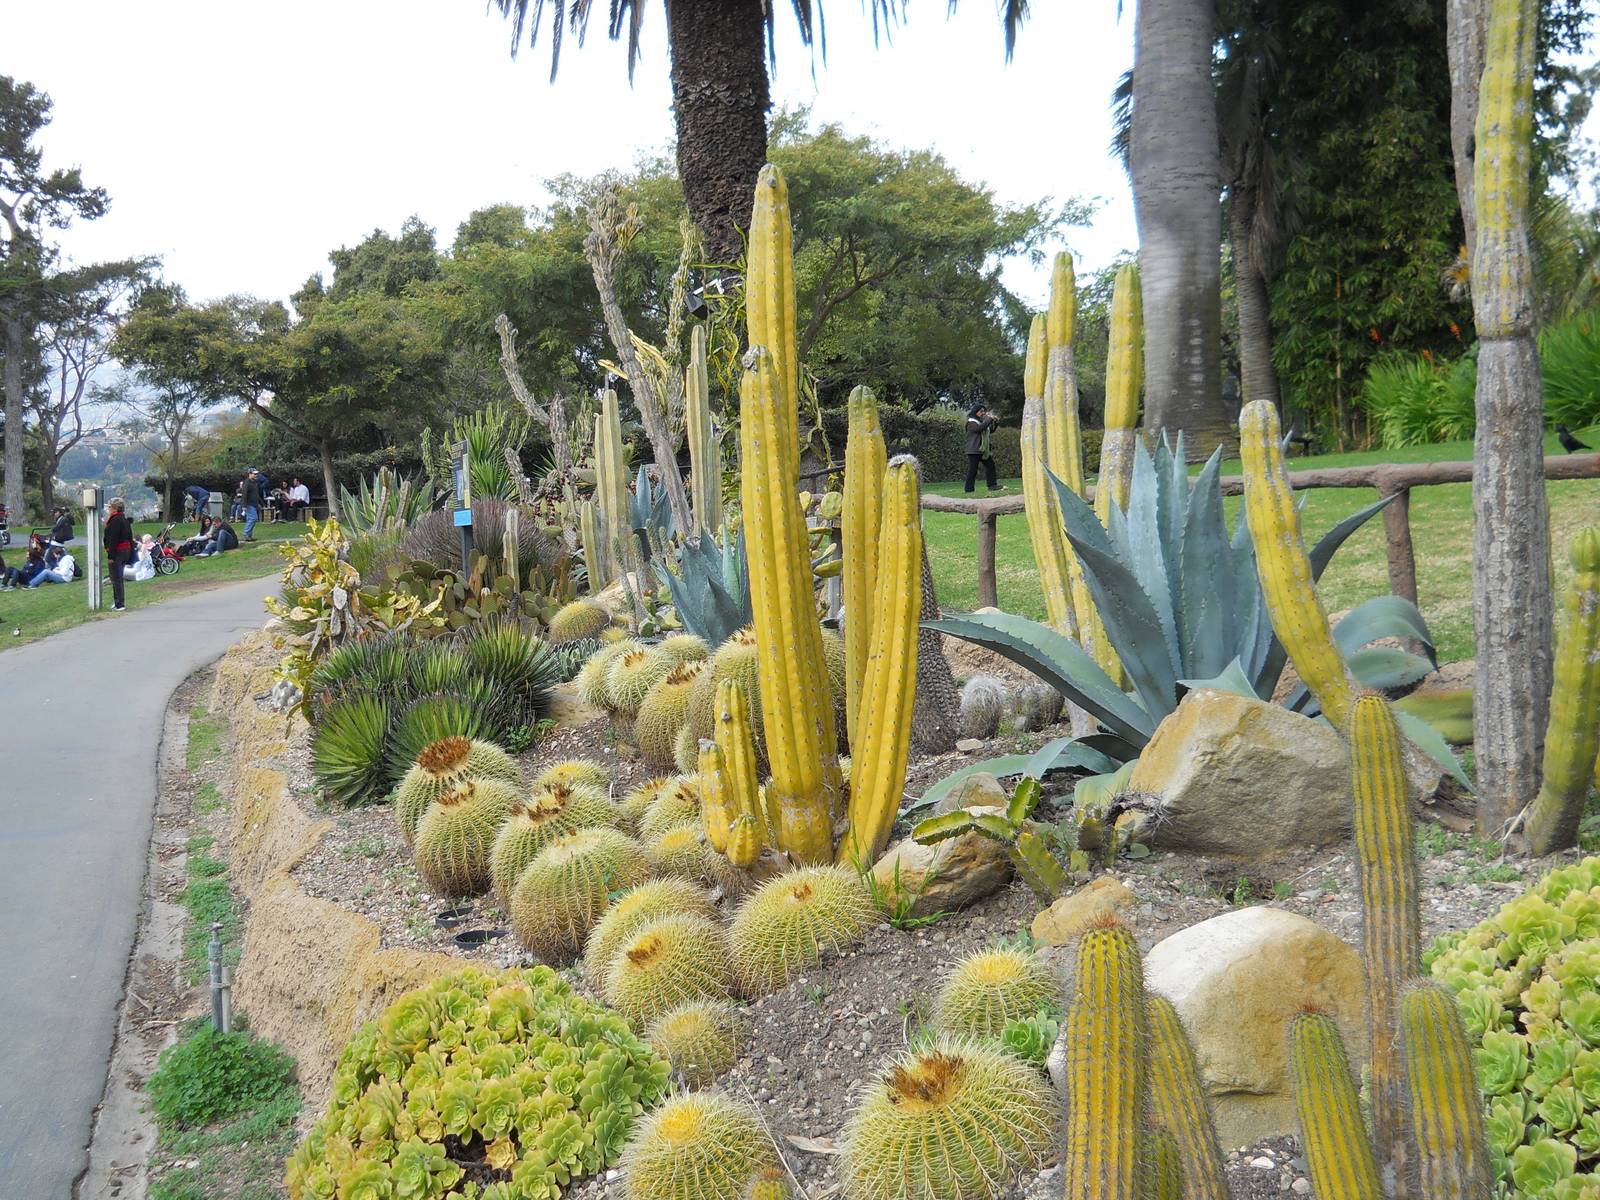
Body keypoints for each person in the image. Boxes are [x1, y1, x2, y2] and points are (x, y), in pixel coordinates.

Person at [963, 403, 1003, 494]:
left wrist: (995, 422)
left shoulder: (981, 422)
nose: (983, 413)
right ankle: (968, 489)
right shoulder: (971, 422)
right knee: (973, 470)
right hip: (974, 450)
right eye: (981, 411)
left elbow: (990, 430)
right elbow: (979, 429)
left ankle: (992, 485)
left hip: (983, 450)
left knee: (990, 466)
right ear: (975, 412)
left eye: (984, 411)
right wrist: (989, 419)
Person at [104, 497, 133, 611]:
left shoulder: (115, 520)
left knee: (116, 578)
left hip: (117, 552)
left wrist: (111, 555)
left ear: (114, 508)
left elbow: (113, 539)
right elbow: (130, 537)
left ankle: (119, 604)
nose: (108, 509)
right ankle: (118, 601)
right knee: (118, 578)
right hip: (126, 551)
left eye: (109, 507)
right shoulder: (124, 519)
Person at [240, 468, 264, 541]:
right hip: (248, 504)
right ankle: (246, 533)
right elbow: (244, 494)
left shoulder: (254, 482)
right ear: (250, 474)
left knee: (250, 519)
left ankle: (249, 536)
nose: (256, 475)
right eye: (254, 474)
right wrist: (244, 505)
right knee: (253, 518)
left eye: (256, 474)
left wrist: (260, 503)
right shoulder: (247, 483)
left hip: (254, 504)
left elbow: (256, 494)